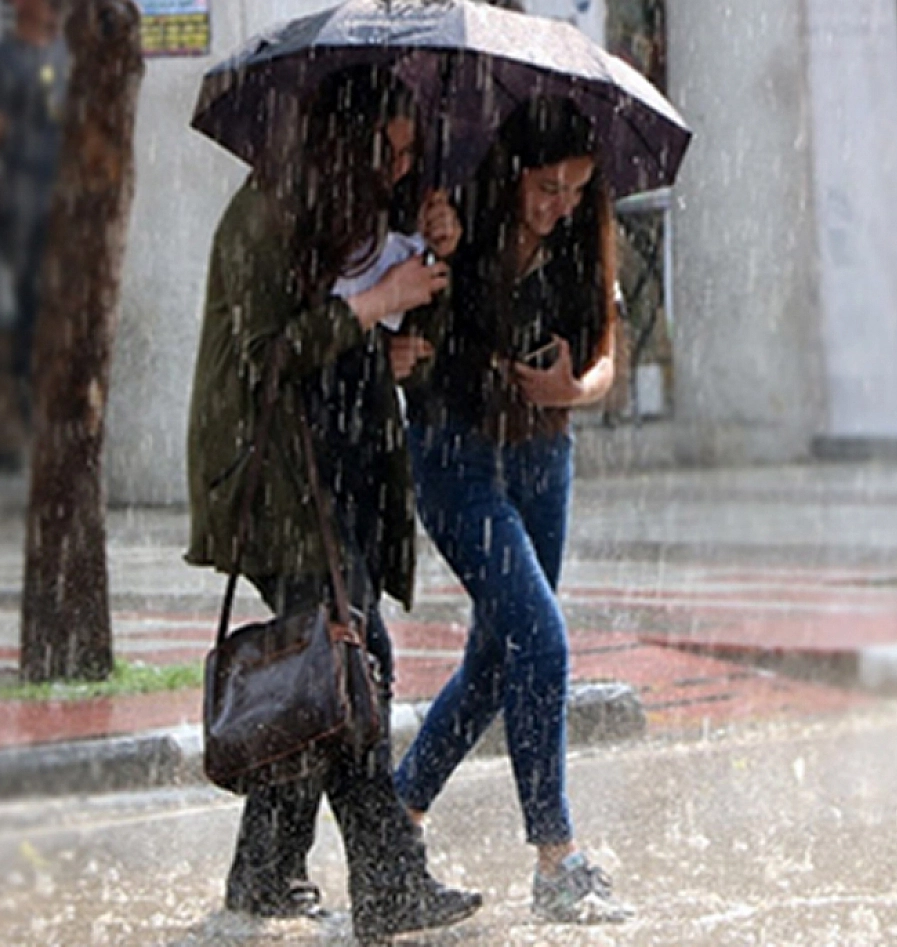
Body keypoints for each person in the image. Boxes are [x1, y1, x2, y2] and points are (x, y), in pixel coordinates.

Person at [183, 66, 480, 941]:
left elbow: (384, 330)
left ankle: (266, 873)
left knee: (330, 664)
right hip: (275, 482)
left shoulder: (349, 217)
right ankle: (389, 886)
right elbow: (267, 357)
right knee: (347, 663)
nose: (396, 170)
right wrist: (368, 308)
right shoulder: (263, 213)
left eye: (406, 153)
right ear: (339, 144)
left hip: (333, 474)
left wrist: (438, 261)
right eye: (381, 151)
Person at [394, 97, 634, 925]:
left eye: (574, 188)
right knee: (542, 636)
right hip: (456, 455)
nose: (560, 204)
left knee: (500, 661)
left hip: (543, 453)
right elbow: (415, 322)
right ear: (514, 171)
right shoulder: (459, 217)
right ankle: (557, 856)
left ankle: (398, 814)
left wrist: (577, 388)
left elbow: (608, 353)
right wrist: (448, 251)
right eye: (547, 187)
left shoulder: (583, 233)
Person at [0, 0, 69, 421]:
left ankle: (59, 408)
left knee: (63, 307)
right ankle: (37, 412)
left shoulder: (70, 55)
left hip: (69, 201)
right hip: (31, 202)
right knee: (38, 306)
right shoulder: (5, 63)